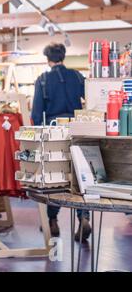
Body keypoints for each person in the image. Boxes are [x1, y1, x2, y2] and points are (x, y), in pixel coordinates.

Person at [32, 43, 91, 241]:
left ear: (47, 59)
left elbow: (36, 113)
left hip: (53, 131)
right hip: (77, 129)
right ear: (63, 57)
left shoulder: (42, 80)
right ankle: (83, 217)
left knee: (55, 178)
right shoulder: (76, 76)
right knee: (78, 176)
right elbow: (89, 99)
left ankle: (52, 221)